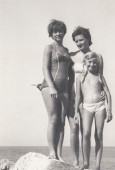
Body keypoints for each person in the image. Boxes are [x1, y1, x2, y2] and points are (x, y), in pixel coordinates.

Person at [68, 26, 105, 168]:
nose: (78, 43)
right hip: (75, 96)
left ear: (88, 39)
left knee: (88, 132)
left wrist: (102, 91)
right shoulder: (72, 56)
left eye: (81, 39)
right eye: (76, 41)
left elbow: (100, 77)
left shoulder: (97, 56)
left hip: (92, 98)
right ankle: (80, 162)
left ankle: (89, 164)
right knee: (78, 130)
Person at [38, 19, 73, 160]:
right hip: (49, 87)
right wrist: (52, 87)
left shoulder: (66, 51)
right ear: (51, 34)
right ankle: (51, 152)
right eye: (55, 31)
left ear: (64, 32)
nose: (58, 33)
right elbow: (44, 68)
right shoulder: (49, 48)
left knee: (62, 122)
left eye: (61, 30)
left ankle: (59, 154)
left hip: (64, 90)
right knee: (53, 119)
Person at [74, 52, 112, 170]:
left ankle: (97, 167)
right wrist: (75, 112)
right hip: (87, 107)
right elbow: (78, 96)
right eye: (90, 62)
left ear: (98, 64)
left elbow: (108, 94)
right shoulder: (80, 78)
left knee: (99, 134)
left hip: (100, 107)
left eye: (95, 62)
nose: (92, 64)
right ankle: (86, 163)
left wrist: (109, 110)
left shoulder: (100, 76)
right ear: (85, 63)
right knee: (85, 134)